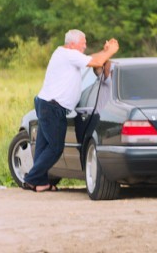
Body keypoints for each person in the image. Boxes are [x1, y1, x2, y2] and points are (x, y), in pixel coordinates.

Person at [23, 30, 119, 192]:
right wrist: (111, 51)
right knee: (55, 147)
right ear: (72, 44)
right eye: (83, 43)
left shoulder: (65, 54)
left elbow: (94, 58)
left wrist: (104, 52)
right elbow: (96, 62)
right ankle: (32, 178)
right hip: (52, 107)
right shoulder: (68, 54)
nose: (85, 46)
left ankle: (38, 181)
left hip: (47, 105)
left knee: (43, 145)